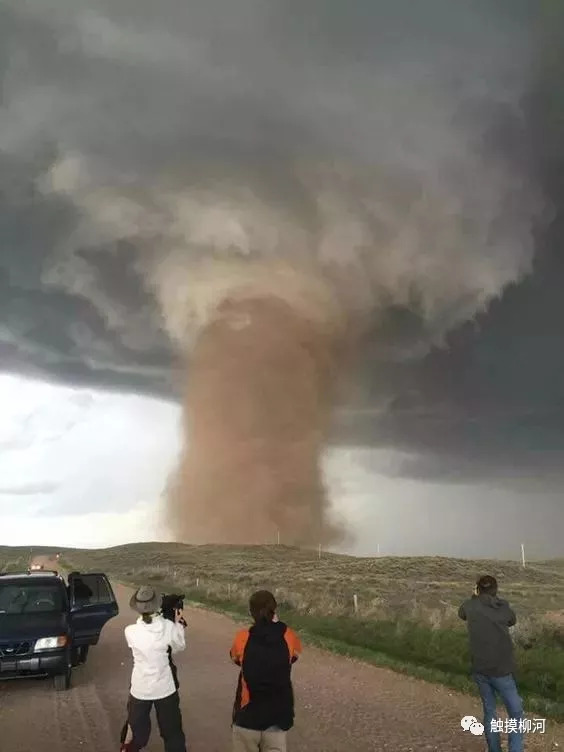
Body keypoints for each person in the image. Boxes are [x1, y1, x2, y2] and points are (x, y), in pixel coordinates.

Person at [230, 590, 302, 752]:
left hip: (247, 717)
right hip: (276, 717)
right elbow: (295, 655)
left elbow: (235, 658)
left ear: (251, 612)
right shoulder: (288, 635)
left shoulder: (242, 637)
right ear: (274, 610)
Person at [458, 575, 524, 752]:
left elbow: (461, 613)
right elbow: (512, 620)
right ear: (495, 590)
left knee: (490, 711)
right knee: (516, 713)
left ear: (477, 589)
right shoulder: (502, 607)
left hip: (480, 668)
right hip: (502, 670)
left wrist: (474, 596)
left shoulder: (470, 605)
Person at [121, 585, 187, 752]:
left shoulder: (130, 631)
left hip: (140, 688)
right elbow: (179, 646)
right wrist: (178, 624)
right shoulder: (168, 627)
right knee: (172, 734)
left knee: (136, 732)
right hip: (165, 687)